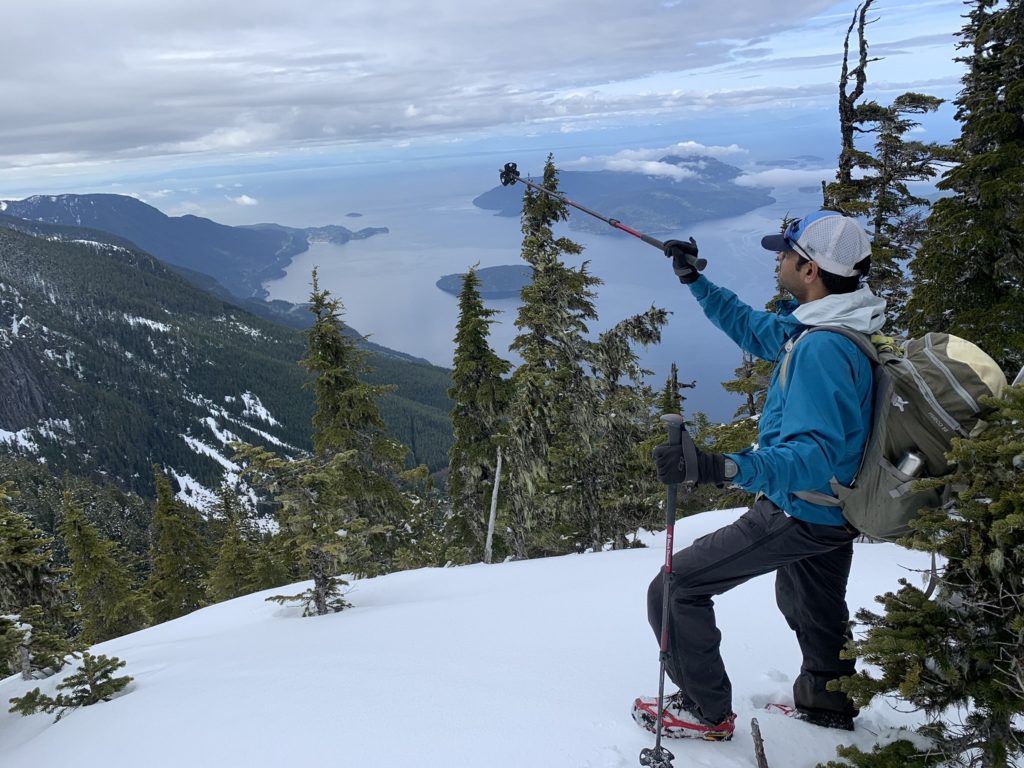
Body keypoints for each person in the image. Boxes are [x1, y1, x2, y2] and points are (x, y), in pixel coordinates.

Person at [631, 210, 886, 742]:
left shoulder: (822, 348)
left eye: (786, 252)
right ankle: (828, 704)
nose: (778, 259)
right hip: (836, 510)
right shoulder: (830, 324)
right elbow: (753, 327)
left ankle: (705, 712)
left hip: (801, 507)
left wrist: (724, 467)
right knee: (809, 602)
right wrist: (695, 279)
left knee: (676, 587)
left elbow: (812, 454)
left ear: (810, 269)